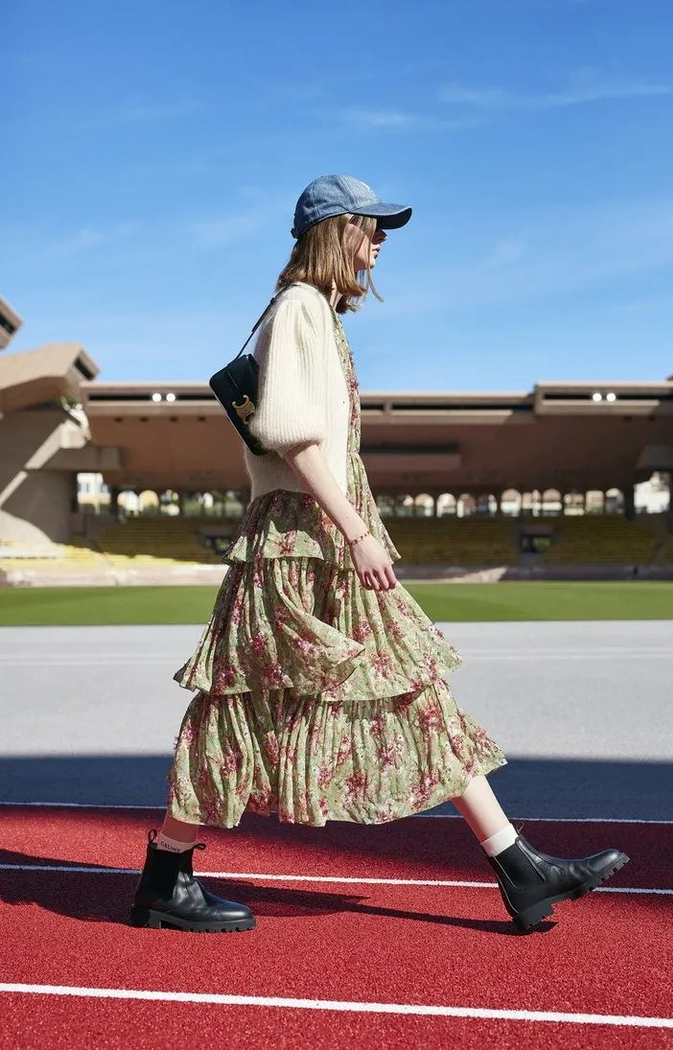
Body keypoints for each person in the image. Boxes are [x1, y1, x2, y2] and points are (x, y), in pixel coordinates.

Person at [130, 174, 629, 935]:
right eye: (371, 226)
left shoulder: (316, 314)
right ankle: (166, 876)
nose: (380, 242)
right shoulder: (299, 309)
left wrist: (355, 529)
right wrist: (356, 533)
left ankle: (518, 866)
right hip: (304, 543)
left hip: (320, 538)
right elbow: (294, 439)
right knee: (251, 707)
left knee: (410, 692)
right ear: (335, 232)